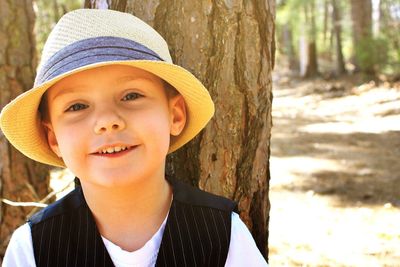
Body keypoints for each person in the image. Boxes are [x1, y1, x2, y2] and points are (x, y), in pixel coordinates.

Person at [1, 9, 268, 267]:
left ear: (175, 115)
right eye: (77, 106)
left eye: (131, 96)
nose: (107, 121)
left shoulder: (221, 234)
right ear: (53, 138)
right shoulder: (34, 249)